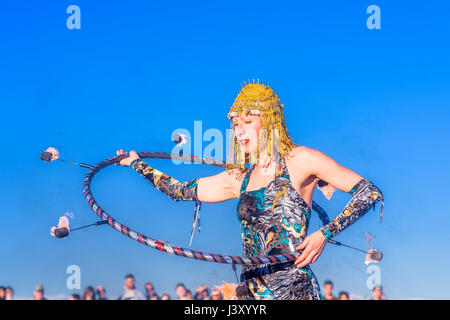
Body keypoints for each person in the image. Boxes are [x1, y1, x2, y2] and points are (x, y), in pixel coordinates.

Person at [116, 82, 384, 300]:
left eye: (246, 121)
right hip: (249, 294)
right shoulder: (239, 178)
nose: (238, 131)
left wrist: (323, 234)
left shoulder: (300, 160)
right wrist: (137, 164)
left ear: (268, 121)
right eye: (235, 125)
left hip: (293, 289)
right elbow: (178, 191)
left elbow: (369, 192)